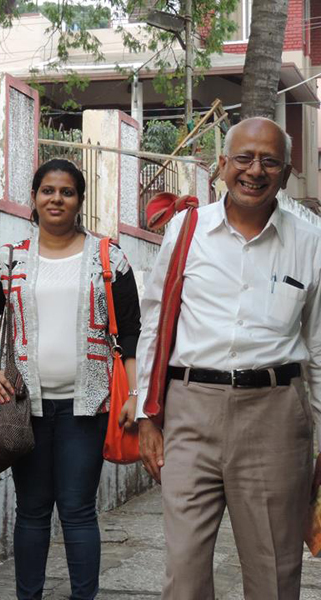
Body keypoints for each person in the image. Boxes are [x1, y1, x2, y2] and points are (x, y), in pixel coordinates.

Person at [135, 117, 321, 599]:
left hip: (276, 416)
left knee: (274, 571)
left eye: (269, 161)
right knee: (184, 571)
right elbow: (155, 321)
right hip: (190, 410)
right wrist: (147, 416)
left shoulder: (311, 240)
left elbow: (319, 347)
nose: (254, 170)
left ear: (285, 171)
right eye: (243, 158)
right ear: (222, 165)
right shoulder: (187, 229)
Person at [0, 159, 141, 600]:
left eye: (66, 191)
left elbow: (133, 334)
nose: (56, 199)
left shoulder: (109, 257)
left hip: (88, 407)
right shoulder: (8, 259)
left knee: (79, 511)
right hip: (26, 410)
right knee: (32, 510)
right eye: (47, 190)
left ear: (79, 201)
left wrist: (134, 394)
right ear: (34, 198)